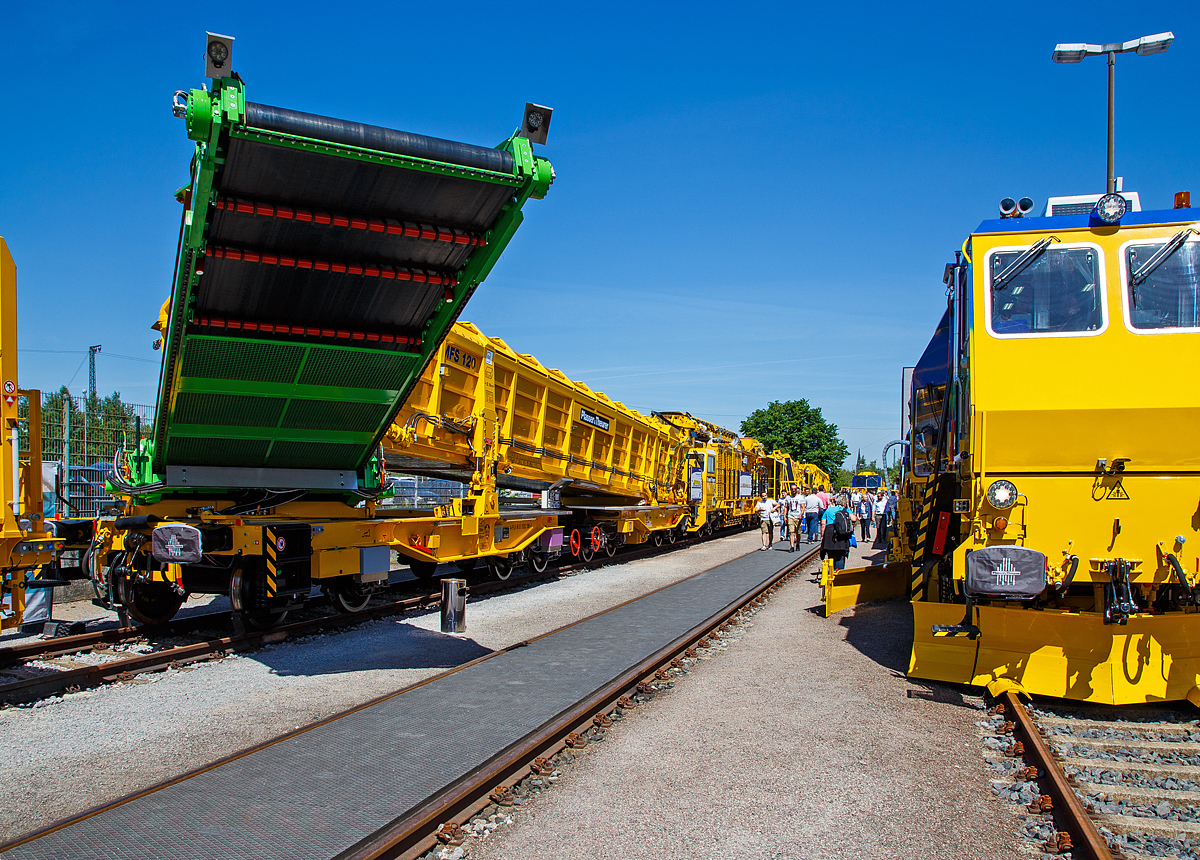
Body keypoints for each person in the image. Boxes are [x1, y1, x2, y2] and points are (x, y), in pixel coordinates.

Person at [820, 498, 852, 571]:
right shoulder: (845, 510)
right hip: (841, 534)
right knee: (840, 556)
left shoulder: (829, 510)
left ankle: (831, 573)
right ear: (845, 504)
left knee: (830, 555)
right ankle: (839, 573)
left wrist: (822, 536)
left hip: (829, 533)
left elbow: (823, 523)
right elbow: (853, 518)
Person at [787, 489, 805, 553]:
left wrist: (801, 514)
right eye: (792, 489)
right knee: (791, 532)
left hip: (798, 516)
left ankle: (797, 544)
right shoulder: (788, 498)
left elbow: (803, 507)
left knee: (798, 532)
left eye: (795, 489)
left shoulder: (800, 497)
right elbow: (786, 507)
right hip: (790, 516)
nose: (793, 490)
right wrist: (784, 516)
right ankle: (792, 546)